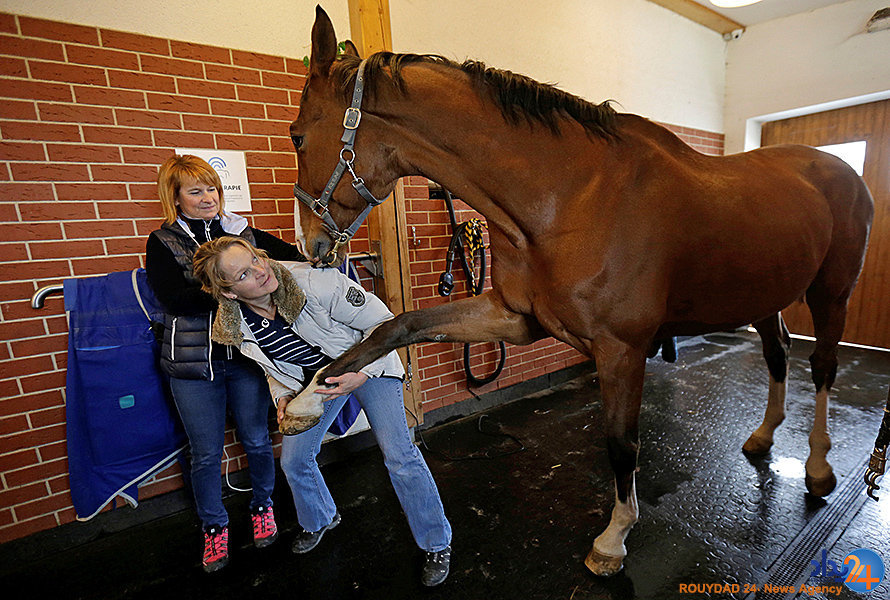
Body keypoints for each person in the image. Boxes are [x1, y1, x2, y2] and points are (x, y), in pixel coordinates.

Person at [192, 236, 454, 587]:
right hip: (322, 381)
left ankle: (437, 543)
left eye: (255, 259)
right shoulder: (235, 326)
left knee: (399, 455)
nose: (260, 270)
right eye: (243, 274)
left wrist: (360, 373)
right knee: (294, 461)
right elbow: (274, 368)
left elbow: (385, 327)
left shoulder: (316, 283)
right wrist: (284, 397)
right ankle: (320, 518)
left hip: (367, 364)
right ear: (228, 293)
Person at [145, 154, 305, 573]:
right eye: (195, 191)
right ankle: (214, 527)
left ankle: (262, 506)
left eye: (212, 188)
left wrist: (321, 254)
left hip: (246, 360)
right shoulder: (162, 241)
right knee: (204, 453)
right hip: (193, 366)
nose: (207, 197)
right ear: (176, 198)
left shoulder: (240, 232)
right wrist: (232, 287)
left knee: (256, 440)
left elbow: (290, 258)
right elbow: (173, 300)